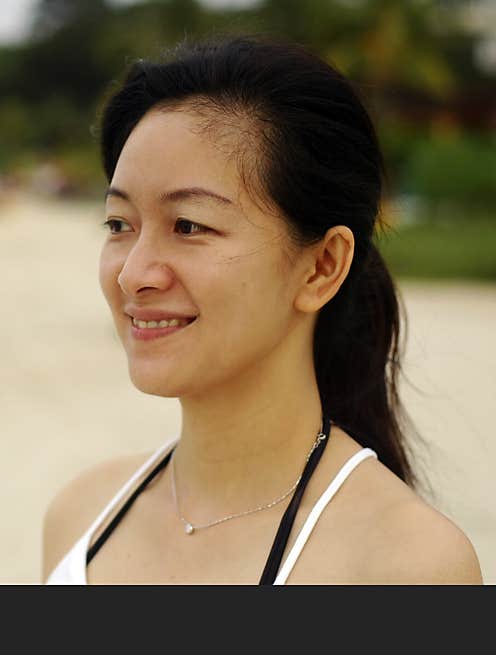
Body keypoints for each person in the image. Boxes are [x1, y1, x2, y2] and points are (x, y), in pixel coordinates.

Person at [42, 36, 482, 584]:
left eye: (188, 225)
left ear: (322, 266)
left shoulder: (403, 565)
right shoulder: (79, 516)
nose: (133, 273)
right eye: (118, 225)